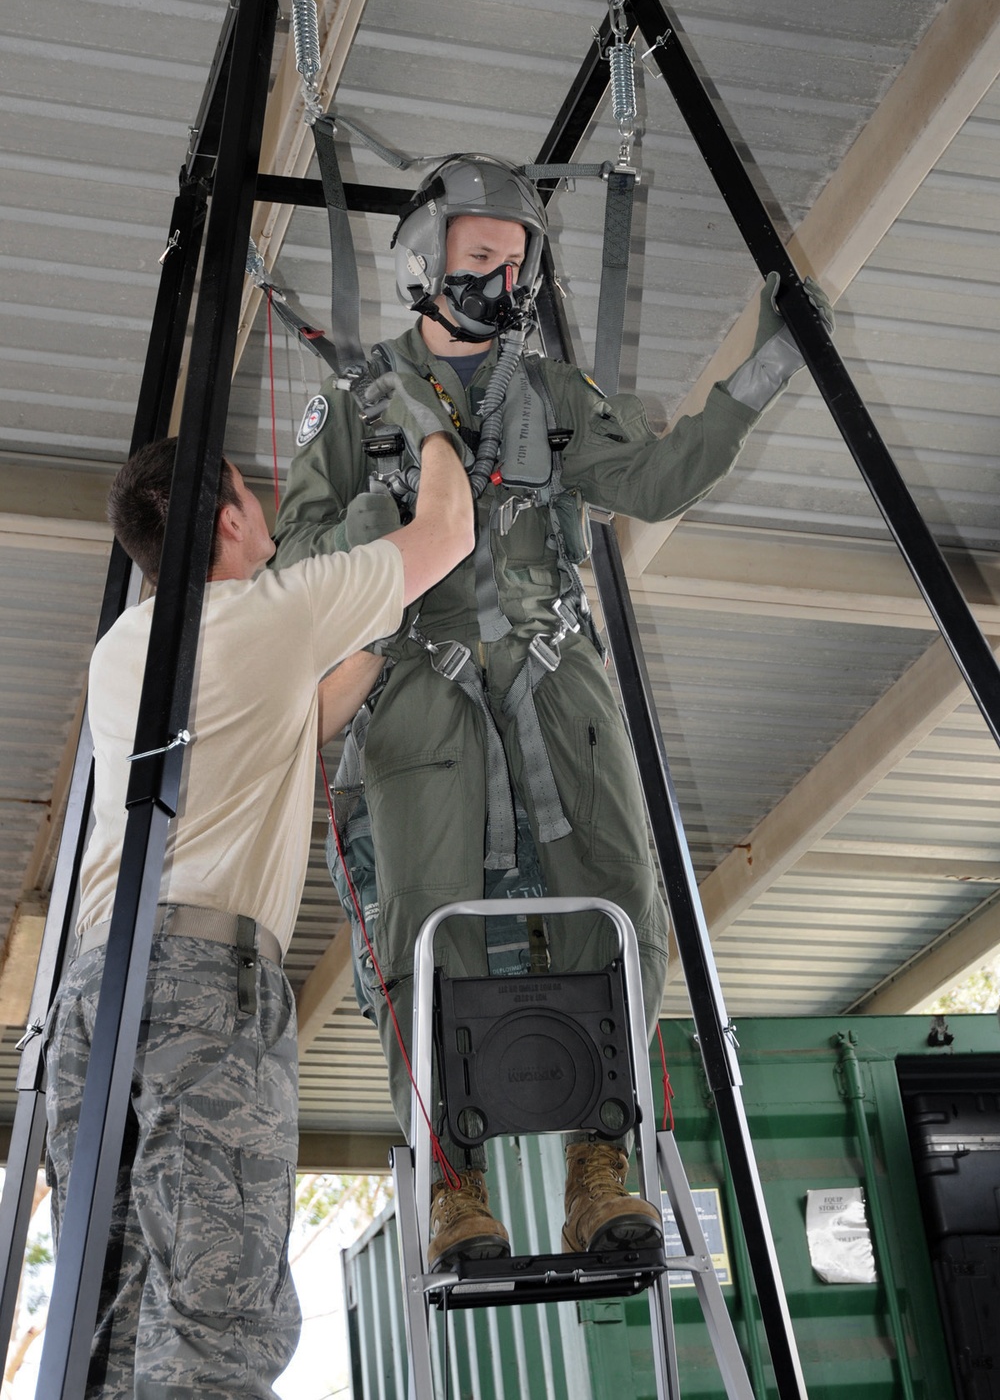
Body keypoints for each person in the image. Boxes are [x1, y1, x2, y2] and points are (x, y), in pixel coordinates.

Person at [273, 153, 831, 1271]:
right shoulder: (355, 402)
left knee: (619, 902)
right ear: (427, 262)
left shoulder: (552, 397)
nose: (505, 280)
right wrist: (389, 516)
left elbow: (659, 479)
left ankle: (600, 1168)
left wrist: (773, 362)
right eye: (483, 257)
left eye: (519, 261)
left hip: (553, 677)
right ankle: (455, 1188)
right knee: (426, 927)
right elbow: (295, 557)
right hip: (418, 690)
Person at [42, 423, 473, 1399]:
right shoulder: (269, 612)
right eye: (252, 489)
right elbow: (447, 533)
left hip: (96, 998)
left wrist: (373, 641)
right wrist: (443, 430)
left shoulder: (126, 652)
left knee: (115, 1311)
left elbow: (286, 726)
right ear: (231, 518)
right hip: (202, 990)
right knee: (215, 1303)